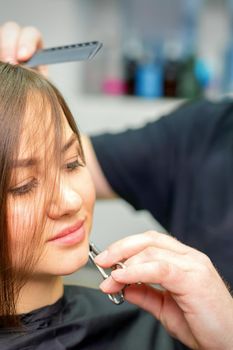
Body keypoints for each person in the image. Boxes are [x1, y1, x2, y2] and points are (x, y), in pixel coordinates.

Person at [0, 22, 233, 350]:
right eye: (23, 185)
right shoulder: (206, 132)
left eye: (72, 163)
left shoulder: (169, 330)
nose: (70, 200)